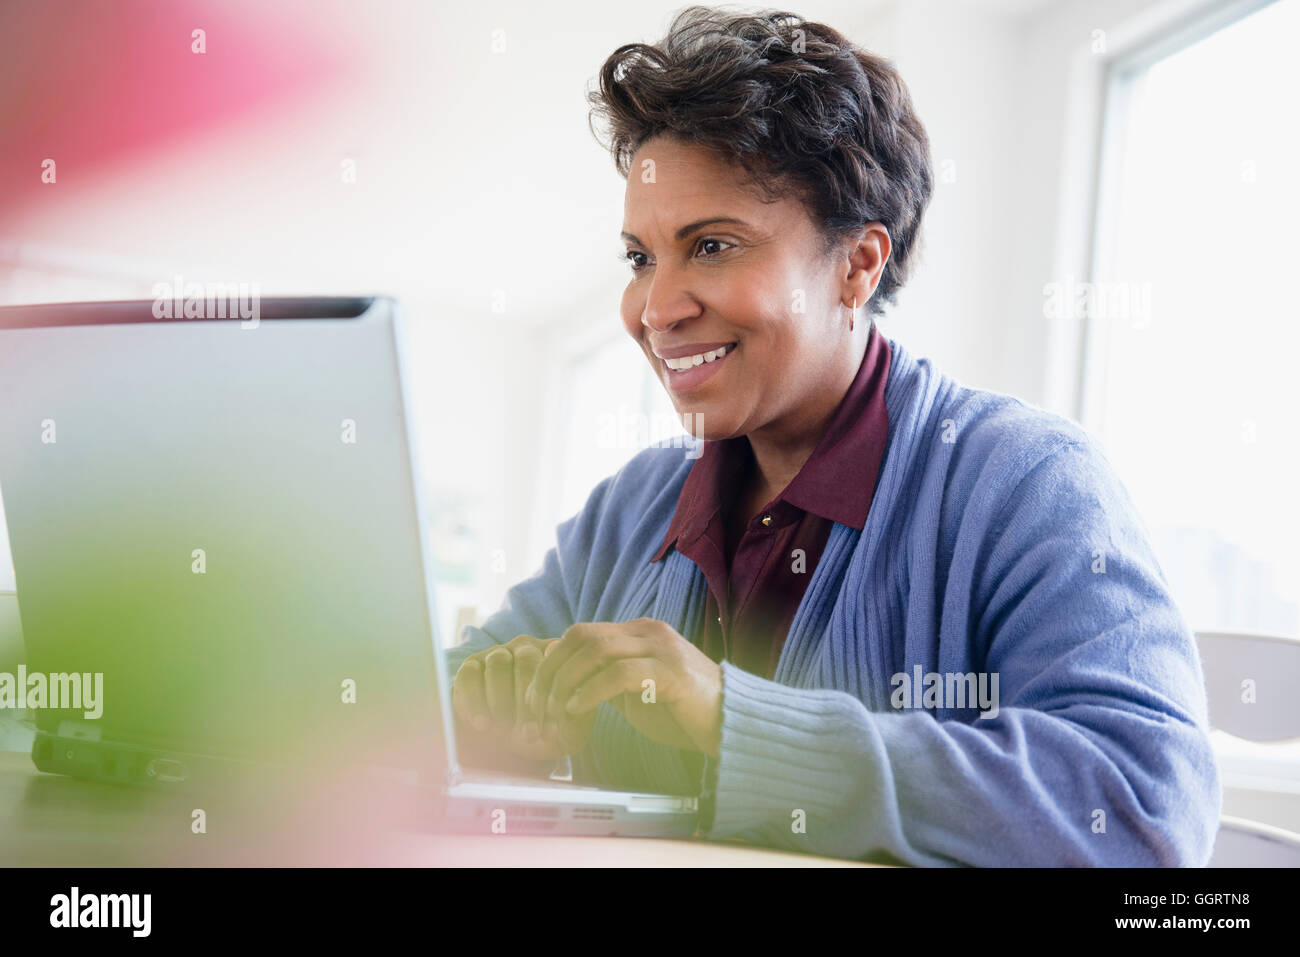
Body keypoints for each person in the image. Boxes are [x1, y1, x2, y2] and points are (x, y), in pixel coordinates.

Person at [446, 6, 1221, 866]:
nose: (656, 309)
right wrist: (484, 720)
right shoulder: (630, 511)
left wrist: (737, 721)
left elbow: (1144, 803)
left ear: (858, 265)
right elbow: (432, 707)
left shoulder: (1024, 481)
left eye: (711, 246)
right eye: (640, 257)